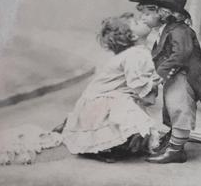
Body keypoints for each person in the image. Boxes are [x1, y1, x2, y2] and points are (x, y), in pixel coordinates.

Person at [131, 0, 201, 164]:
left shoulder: (179, 30)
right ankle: (173, 142)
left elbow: (181, 54)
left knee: (180, 110)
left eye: (147, 13)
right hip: (175, 75)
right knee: (171, 109)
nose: (142, 18)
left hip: (185, 76)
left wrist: (159, 74)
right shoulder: (166, 29)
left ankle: (176, 151)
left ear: (163, 13)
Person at [61, 13, 162, 162]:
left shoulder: (138, 51)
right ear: (133, 36)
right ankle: (102, 147)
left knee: (128, 106)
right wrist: (156, 81)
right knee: (125, 108)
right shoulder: (134, 54)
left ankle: (118, 143)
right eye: (136, 22)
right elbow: (136, 83)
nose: (142, 19)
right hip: (98, 102)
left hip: (107, 98)